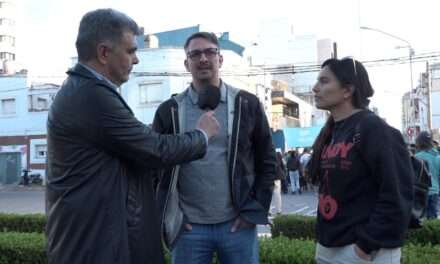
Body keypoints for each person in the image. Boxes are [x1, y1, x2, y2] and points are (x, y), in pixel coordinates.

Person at [46, 9, 219, 264]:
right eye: (130, 51)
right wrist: (202, 135)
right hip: (95, 244)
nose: (136, 60)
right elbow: (154, 149)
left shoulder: (86, 90)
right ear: (104, 53)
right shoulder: (91, 95)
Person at [153, 32, 277, 264]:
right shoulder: (169, 110)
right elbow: (155, 166)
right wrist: (171, 215)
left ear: (220, 59)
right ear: (186, 63)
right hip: (189, 229)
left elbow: (267, 161)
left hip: (237, 225)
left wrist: (254, 209)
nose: (203, 58)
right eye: (195, 54)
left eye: (210, 52)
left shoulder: (246, 104)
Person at [309, 58, 413, 263]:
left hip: (364, 252)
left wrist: (366, 245)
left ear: (347, 90)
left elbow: (397, 195)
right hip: (329, 246)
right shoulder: (331, 132)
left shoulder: (375, 130)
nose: (315, 88)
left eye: (324, 81)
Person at [415, 131, 440, 219]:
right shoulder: (438, 157)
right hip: (435, 192)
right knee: (433, 220)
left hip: (420, 192)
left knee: (419, 221)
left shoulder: (416, 157)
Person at [271, 151, 286, 215]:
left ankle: (268, 211)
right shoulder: (278, 154)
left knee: (269, 195)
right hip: (277, 176)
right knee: (277, 194)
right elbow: (282, 165)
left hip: (269, 177)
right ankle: (279, 210)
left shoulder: (264, 153)